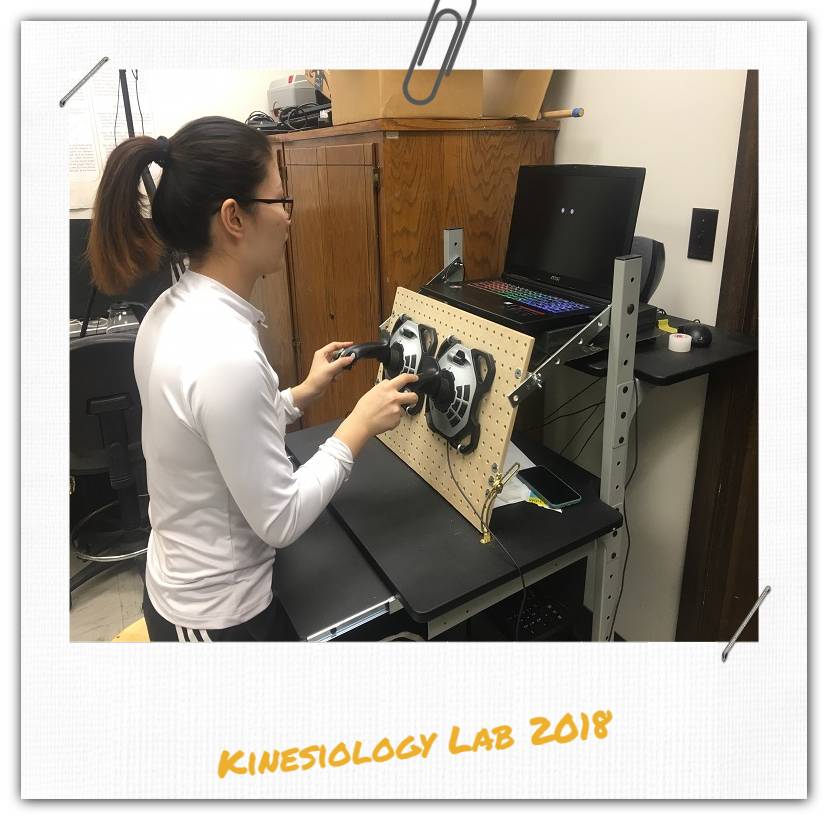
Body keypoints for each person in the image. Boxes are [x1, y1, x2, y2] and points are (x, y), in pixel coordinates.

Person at [87, 116, 418, 642]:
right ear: (233, 218)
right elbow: (280, 519)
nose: (289, 218)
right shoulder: (224, 353)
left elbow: (211, 431)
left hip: (182, 583)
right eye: (279, 202)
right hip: (217, 618)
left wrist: (300, 395)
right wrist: (357, 426)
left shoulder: (172, 310)